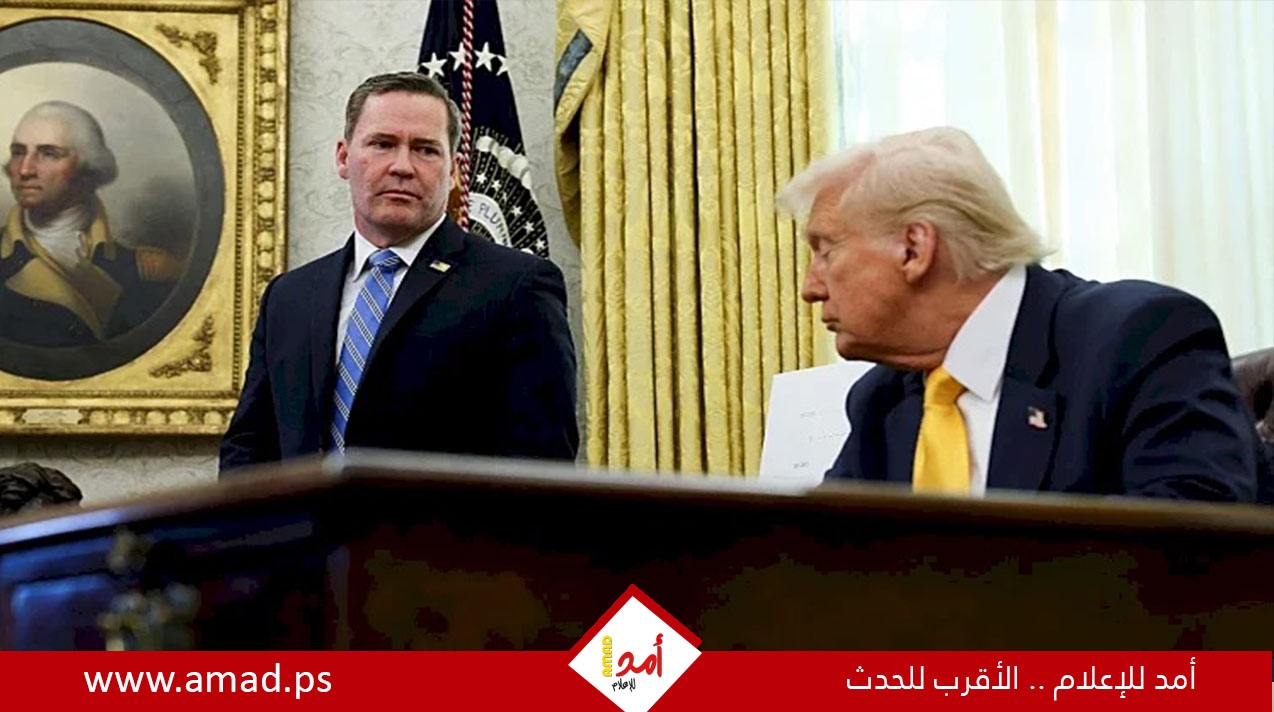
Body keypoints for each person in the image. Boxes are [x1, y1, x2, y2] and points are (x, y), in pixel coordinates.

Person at [777, 127, 1258, 501]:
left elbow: (1195, 554)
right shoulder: (882, 401)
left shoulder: (1140, 338)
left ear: (913, 249)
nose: (810, 289)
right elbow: (822, 560)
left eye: (826, 252)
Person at [219, 72, 578, 474]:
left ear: (454, 170)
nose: (402, 166)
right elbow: (249, 450)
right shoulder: (290, 296)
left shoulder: (517, 286)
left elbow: (540, 466)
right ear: (343, 157)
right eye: (382, 144)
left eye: (425, 149)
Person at [1, 101, 180, 346]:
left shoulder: (152, 271)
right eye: (18, 152)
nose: (24, 170)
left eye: (49, 154)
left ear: (88, 168)